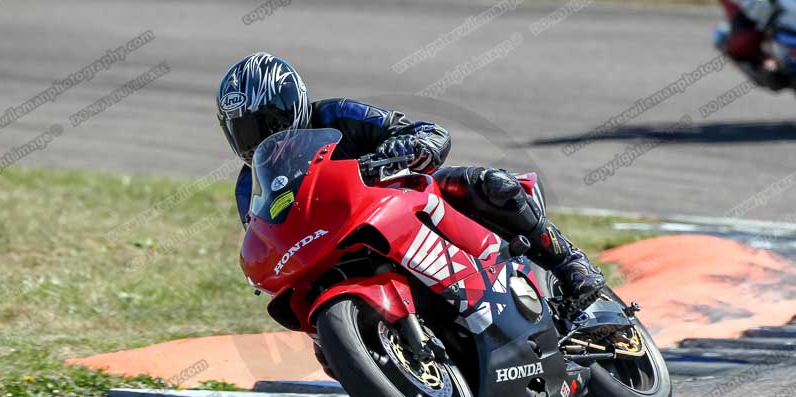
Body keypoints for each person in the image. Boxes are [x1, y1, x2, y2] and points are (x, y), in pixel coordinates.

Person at [217, 53, 604, 305]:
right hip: (335, 245)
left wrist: (406, 147)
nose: (260, 140)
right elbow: (264, 233)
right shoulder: (249, 185)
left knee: (491, 184)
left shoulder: (338, 115)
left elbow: (420, 129)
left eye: (267, 125)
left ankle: (570, 262)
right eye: (245, 132)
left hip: (403, 200)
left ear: (292, 107)